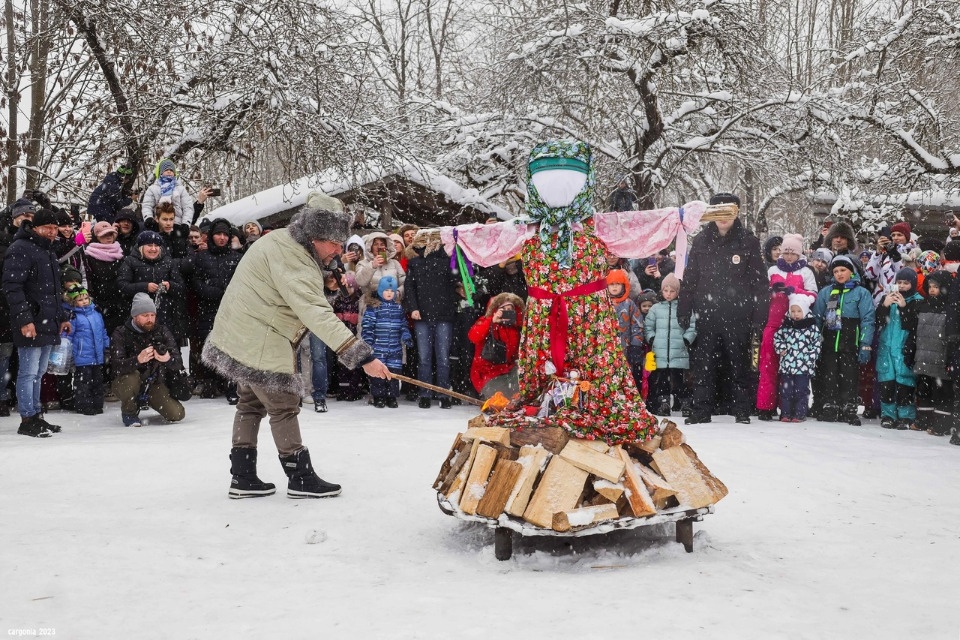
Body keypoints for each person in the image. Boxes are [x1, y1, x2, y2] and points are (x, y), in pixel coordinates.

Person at [202, 206, 390, 499]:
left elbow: (293, 294)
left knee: (249, 404)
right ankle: (300, 477)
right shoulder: (295, 259)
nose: (339, 251)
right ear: (315, 237)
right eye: (335, 244)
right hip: (261, 336)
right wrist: (362, 356)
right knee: (284, 405)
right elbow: (315, 312)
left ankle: (242, 476)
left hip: (241, 332)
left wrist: (326, 287)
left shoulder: (282, 240)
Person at [677, 192, 769, 424]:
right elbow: (690, 279)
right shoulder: (701, 241)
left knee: (739, 363)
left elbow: (760, 283)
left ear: (736, 212)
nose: (723, 216)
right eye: (718, 210)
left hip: (739, 315)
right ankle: (701, 410)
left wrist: (759, 317)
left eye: (728, 210)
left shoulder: (748, 241)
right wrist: (684, 309)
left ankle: (741, 409)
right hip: (707, 314)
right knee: (703, 364)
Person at [2, 208, 72, 436]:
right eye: (47, 228)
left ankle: (36, 414)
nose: (52, 233)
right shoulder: (20, 249)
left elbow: (53, 291)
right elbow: (13, 287)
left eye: (54, 229)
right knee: (28, 372)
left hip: (47, 320)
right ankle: (27, 419)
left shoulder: (48, 252)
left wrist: (61, 317)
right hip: (31, 321)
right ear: (35, 227)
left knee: (40, 371)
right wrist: (25, 320)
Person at [757, 233, 817, 420]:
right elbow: (760, 294)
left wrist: (795, 292)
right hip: (773, 322)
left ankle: (789, 408)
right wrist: (771, 291)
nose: (789, 256)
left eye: (792, 253)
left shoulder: (806, 272)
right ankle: (765, 406)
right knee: (768, 365)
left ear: (799, 254)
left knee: (790, 369)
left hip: (794, 325)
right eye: (786, 253)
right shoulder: (773, 270)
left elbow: (813, 295)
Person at [812, 255, 875, 425]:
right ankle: (830, 406)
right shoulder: (826, 292)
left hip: (850, 340)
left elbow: (868, 320)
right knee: (829, 374)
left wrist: (865, 344)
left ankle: (849, 408)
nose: (839, 274)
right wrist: (816, 340)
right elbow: (817, 318)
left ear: (851, 271)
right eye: (836, 271)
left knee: (849, 376)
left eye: (843, 270)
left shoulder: (861, 293)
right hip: (830, 341)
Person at [110, 293, 186, 427]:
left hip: (154, 381)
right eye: (145, 316)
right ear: (135, 316)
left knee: (177, 414)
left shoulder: (162, 330)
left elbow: (178, 362)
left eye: (152, 315)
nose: (150, 319)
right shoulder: (121, 333)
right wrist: (138, 360)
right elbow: (116, 365)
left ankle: (149, 400)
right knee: (131, 379)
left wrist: (167, 359)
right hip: (127, 381)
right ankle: (129, 412)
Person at [403, 230, 459, 409]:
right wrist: (413, 308)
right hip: (422, 316)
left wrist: (455, 256)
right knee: (424, 358)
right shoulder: (415, 263)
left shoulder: (448, 261)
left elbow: (456, 278)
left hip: (444, 314)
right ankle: (425, 393)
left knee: (443, 358)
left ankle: (444, 394)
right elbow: (409, 287)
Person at [192, 218, 243, 400]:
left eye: (225, 235)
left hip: (231, 310)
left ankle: (230, 384)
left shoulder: (237, 258)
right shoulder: (201, 257)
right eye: (218, 234)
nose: (221, 238)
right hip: (208, 309)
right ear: (211, 235)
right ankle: (210, 383)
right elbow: (196, 282)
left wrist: (227, 294)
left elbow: (242, 282)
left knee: (230, 348)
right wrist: (211, 292)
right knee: (210, 346)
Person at [118, 230, 186, 341]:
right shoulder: (130, 261)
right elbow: (122, 286)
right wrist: (145, 287)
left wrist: (170, 286)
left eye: (156, 246)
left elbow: (181, 288)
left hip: (165, 316)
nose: (153, 249)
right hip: (139, 318)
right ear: (141, 247)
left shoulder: (168, 262)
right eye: (149, 245)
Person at [875, 267, 922, 430]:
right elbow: (878, 321)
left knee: (905, 382)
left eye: (906, 283)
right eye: (899, 282)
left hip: (904, 347)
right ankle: (888, 415)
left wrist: (903, 307)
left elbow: (912, 325)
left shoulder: (917, 301)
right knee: (887, 381)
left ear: (913, 284)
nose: (901, 286)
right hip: (886, 347)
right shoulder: (887, 299)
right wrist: (885, 305)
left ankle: (906, 416)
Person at [644, 273, 696, 417]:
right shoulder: (655, 309)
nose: (668, 294)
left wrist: (686, 340)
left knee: (680, 380)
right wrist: (652, 338)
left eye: (672, 291)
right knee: (662, 380)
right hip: (660, 352)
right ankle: (664, 403)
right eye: (666, 290)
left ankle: (685, 403)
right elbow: (648, 326)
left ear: (677, 292)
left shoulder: (683, 308)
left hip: (679, 351)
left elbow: (692, 326)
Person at [360, 276, 412, 407]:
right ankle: (378, 396)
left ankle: (392, 397)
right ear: (380, 291)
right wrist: (368, 342)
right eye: (386, 290)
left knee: (393, 373)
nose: (389, 293)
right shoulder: (374, 308)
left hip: (395, 348)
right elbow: (367, 326)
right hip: (378, 347)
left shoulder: (398, 308)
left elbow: (403, 325)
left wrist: (406, 336)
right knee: (379, 374)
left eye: (392, 291)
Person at [912, 272, 953, 435]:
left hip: (941, 358)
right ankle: (924, 419)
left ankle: (942, 424)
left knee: (943, 392)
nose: (932, 290)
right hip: (923, 356)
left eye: (936, 287)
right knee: (924, 390)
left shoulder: (950, 309)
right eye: (930, 287)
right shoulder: (924, 305)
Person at [773, 294, 821, 422]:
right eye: (792, 311)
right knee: (786, 391)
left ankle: (799, 413)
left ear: (805, 311)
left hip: (803, 366)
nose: (795, 314)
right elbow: (777, 338)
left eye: (799, 311)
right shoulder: (786, 326)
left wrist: (810, 357)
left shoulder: (811, 327)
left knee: (801, 391)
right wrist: (781, 348)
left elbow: (816, 344)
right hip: (787, 365)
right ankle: (785, 413)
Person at [468, 292, 524, 400]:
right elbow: (473, 336)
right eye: (504, 309)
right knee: (499, 400)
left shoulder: (515, 329)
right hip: (487, 374)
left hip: (509, 372)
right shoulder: (486, 321)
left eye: (510, 309)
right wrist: (491, 321)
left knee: (523, 390)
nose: (508, 312)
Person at [63, 285, 109, 415]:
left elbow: (102, 332)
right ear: (73, 302)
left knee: (98, 381)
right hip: (82, 356)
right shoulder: (73, 316)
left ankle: (97, 404)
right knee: (83, 383)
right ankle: (84, 405)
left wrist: (107, 346)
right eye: (80, 299)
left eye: (86, 298)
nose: (84, 301)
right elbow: (67, 336)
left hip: (97, 356)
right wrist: (69, 353)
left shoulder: (96, 313)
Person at [606, 270, 645, 391]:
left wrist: (636, 344)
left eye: (618, 284)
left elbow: (637, 325)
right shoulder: (603, 303)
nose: (614, 287)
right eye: (611, 284)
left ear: (624, 285)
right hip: (606, 347)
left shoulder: (629, 304)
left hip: (626, 347)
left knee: (626, 373)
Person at [141, 158, 194, 224]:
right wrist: (148, 218)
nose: (169, 171)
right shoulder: (153, 189)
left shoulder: (181, 189)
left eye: (171, 170)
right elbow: (147, 205)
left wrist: (185, 223)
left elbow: (188, 208)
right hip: (157, 224)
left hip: (177, 224)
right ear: (161, 172)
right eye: (166, 170)